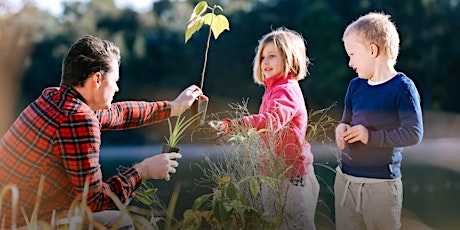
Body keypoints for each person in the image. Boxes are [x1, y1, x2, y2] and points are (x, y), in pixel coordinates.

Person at [0, 35, 203, 229]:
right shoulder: (78, 118)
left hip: (16, 214)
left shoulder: (53, 99)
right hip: (20, 224)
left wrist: (174, 107)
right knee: (122, 222)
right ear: (97, 79)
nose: (116, 88)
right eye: (114, 80)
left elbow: (121, 114)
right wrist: (144, 170)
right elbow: (95, 201)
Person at [210, 27, 319, 230]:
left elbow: (271, 121)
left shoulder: (286, 89)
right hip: (275, 176)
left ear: (291, 59)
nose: (265, 62)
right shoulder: (272, 90)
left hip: (291, 179)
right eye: (262, 57)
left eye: (271, 56)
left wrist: (234, 125)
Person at [334, 12, 424, 230]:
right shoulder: (355, 86)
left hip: (381, 187)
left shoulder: (402, 88)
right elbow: (346, 120)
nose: (350, 62)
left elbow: (414, 133)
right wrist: (341, 127)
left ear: (373, 50)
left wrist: (370, 136)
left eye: (353, 54)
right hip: (346, 182)